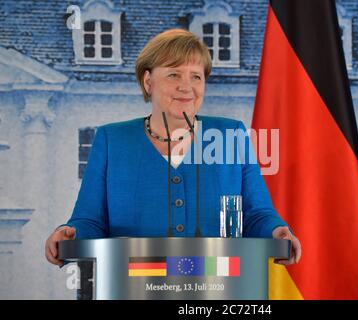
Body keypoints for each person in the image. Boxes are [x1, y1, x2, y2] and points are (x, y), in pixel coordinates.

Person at [45, 29, 300, 267]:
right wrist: (69, 235)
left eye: (196, 76)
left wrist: (277, 231)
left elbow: (256, 214)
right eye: (173, 74)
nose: (186, 86)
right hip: (134, 285)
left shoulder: (231, 135)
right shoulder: (111, 140)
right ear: (148, 82)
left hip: (217, 287)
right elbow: (90, 220)